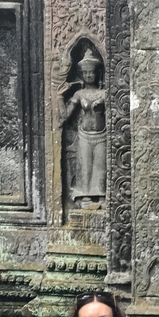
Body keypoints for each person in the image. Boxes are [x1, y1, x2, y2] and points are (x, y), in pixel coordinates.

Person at [58, 48, 107, 204]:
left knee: (100, 166)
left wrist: (103, 106)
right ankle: (85, 195)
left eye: (91, 72)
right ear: (82, 75)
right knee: (85, 166)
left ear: (98, 73)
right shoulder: (79, 94)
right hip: (84, 135)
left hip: (101, 135)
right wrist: (60, 97)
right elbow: (65, 116)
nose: (88, 75)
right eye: (85, 73)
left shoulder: (104, 93)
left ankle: (101, 194)